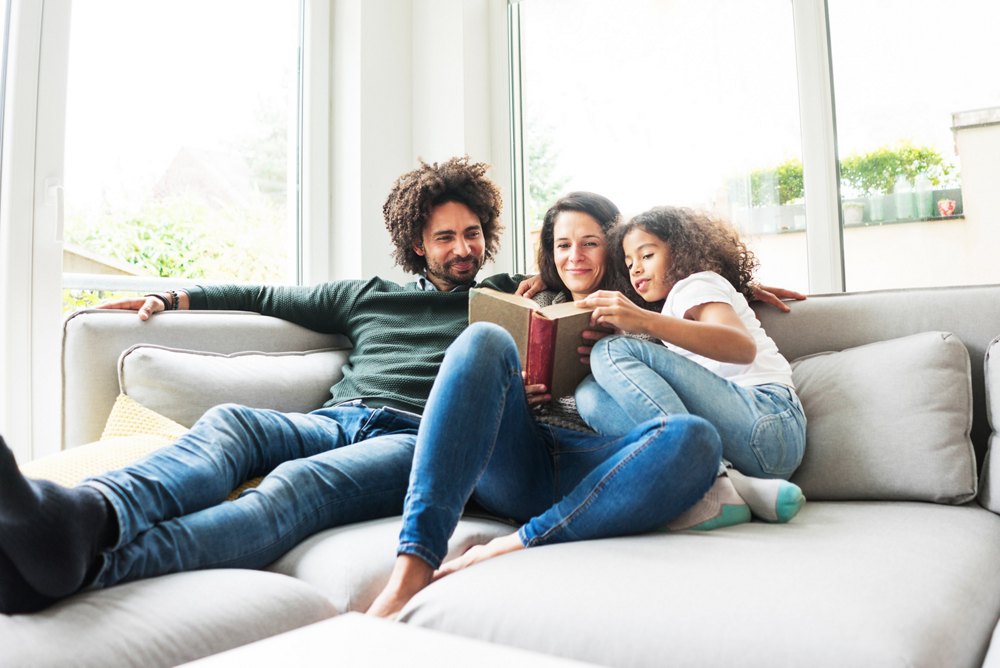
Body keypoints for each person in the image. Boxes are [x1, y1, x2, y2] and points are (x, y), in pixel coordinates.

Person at [0, 156, 530, 614]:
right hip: (336, 419)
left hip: (416, 440)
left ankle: (93, 568)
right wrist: (173, 298)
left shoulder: (510, 298)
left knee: (297, 485)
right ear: (417, 243)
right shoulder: (368, 296)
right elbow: (264, 296)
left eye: (473, 233)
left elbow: (574, 284)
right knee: (232, 424)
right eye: (446, 237)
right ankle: (82, 517)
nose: (463, 248)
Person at [366, 192, 803, 619]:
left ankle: (520, 541)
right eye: (562, 245)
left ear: (612, 250)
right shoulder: (534, 299)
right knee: (483, 339)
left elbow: (694, 300)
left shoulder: (645, 306)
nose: (574, 256)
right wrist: (513, 394)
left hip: (615, 468)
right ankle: (413, 567)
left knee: (693, 435)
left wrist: (740, 286)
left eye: (590, 244)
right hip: (523, 463)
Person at [573, 206, 807, 524]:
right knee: (590, 395)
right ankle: (733, 483)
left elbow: (742, 348)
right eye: (629, 263)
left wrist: (643, 322)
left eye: (647, 255)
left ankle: (706, 479)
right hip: (750, 449)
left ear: (681, 250)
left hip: (768, 420)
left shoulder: (696, 285)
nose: (636, 269)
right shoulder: (673, 307)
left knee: (610, 350)